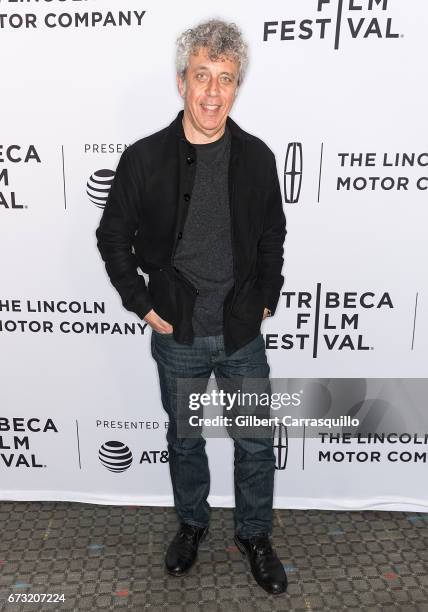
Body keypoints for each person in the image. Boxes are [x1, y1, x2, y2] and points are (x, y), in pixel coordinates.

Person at [95, 18, 287, 595]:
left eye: (225, 79)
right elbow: (112, 237)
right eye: (202, 75)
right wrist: (142, 304)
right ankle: (192, 525)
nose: (212, 92)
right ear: (182, 82)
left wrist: (266, 298)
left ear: (235, 87)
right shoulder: (144, 159)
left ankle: (254, 534)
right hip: (176, 331)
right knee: (184, 441)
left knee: (255, 441)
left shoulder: (256, 158)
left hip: (241, 333)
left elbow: (273, 235)